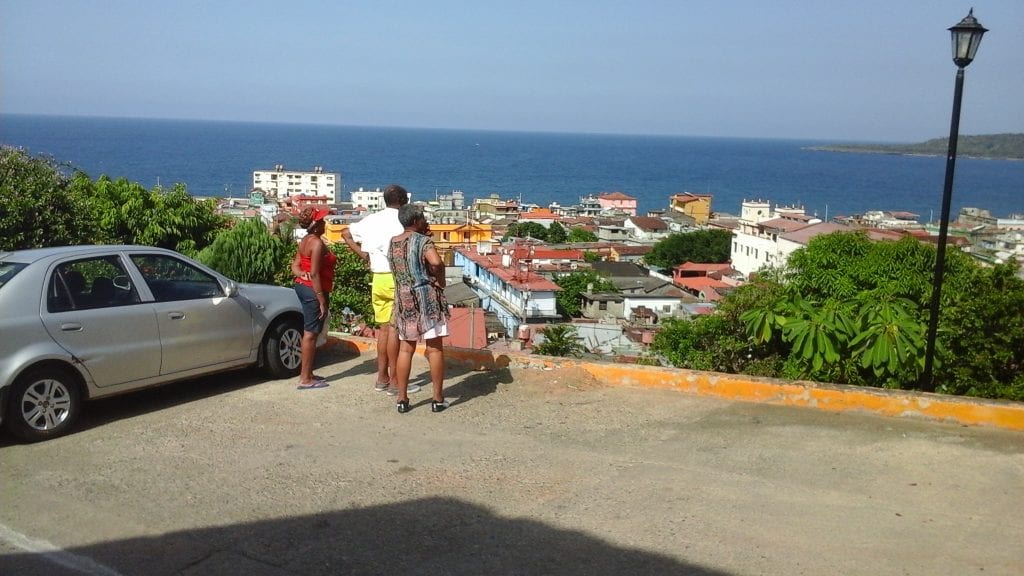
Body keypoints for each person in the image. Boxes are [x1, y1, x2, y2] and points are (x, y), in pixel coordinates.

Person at [341, 184, 421, 395]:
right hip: (397, 278)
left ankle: (382, 378)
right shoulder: (402, 221)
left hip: (378, 278)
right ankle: (395, 382)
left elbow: (345, 233)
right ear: (403, 200)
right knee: (396, 330)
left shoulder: (371, 219)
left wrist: (363, 255)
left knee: (384, 330)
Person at [388, 204, 450, 413]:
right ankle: (437, 398)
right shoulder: (423, 241)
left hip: (403, 299)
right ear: (415, 221)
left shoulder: (393, 242)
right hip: (426, 299)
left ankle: (402, 399)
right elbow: (436, 262)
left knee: (406, 349)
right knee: (434, 349)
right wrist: (440, 280)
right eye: (422, 218)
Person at [291, 206, 337, 389]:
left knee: (310, 331)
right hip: (313, 290)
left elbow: (295, 265)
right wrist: (321, 299)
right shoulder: (316, 243)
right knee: (311, 333)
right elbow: (316, 273)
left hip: (303, 287)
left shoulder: (305, 240)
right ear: (316, 225)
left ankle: (308, 372)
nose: (325, 223)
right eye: (322, 221)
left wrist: (302, 273)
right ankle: (305, 379)